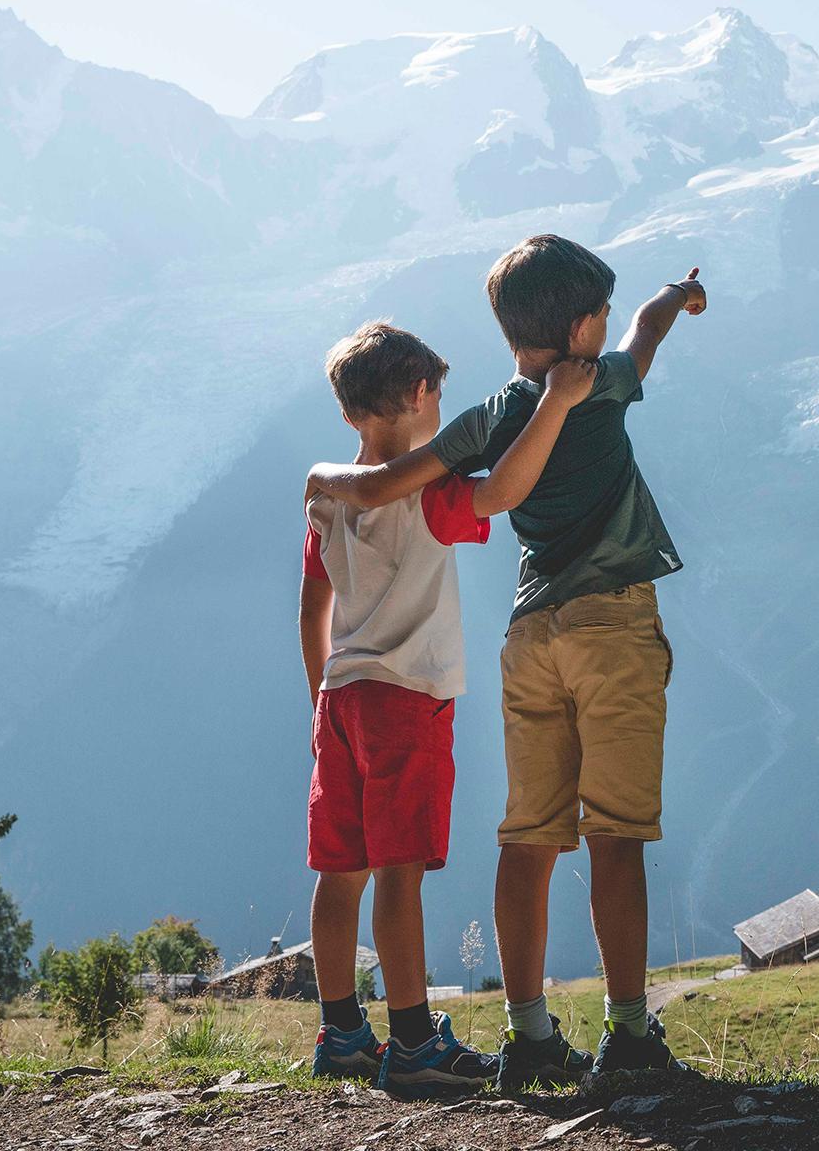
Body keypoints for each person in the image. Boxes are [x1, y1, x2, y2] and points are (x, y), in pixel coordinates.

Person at [307, 238, 706, 1090]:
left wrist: (323, 474)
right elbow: (643, 337)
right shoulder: (598, 381)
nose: (606, 320)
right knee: (618, 832)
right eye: (597, 310)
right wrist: (677, 298)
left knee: (528, 836)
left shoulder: (487, 417)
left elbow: (383, 485)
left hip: (529, 638)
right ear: (577, 327)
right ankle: (629, 1036)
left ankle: (527, 1034)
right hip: (612, 625)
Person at [301, 321, 594, 1092]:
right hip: (408, 699)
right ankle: (413, 1044)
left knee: (341, 871)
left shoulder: (327, 499)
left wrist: (317, 701)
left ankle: (340, 1032)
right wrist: (556, 406)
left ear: (348, 411)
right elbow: (501, 491)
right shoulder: (427, 492)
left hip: (341, 698)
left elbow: (312, 611)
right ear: (423, 393)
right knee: (401, 872)